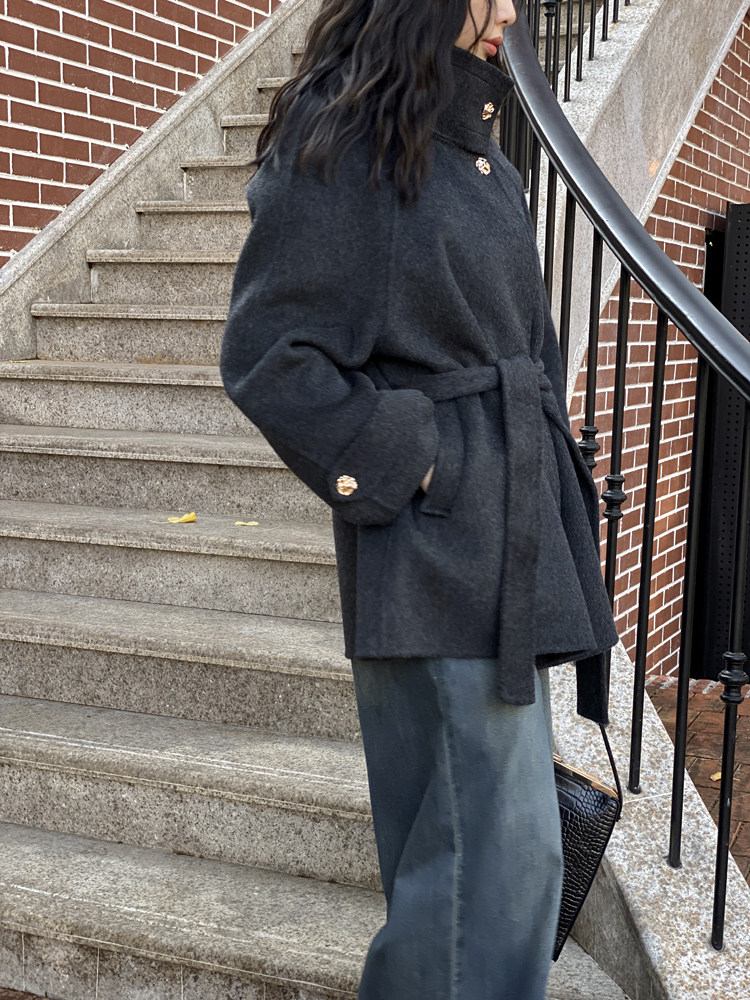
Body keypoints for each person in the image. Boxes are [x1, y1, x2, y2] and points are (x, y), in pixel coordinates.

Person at [220, 0, 620, 996]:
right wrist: (425, 461)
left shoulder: (477, 155)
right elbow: (272, 357)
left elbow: (524, 351)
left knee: (495, 875)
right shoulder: (344, 148)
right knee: (486, 882)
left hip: (505, 548)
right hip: (434, 557)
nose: (511, 12)